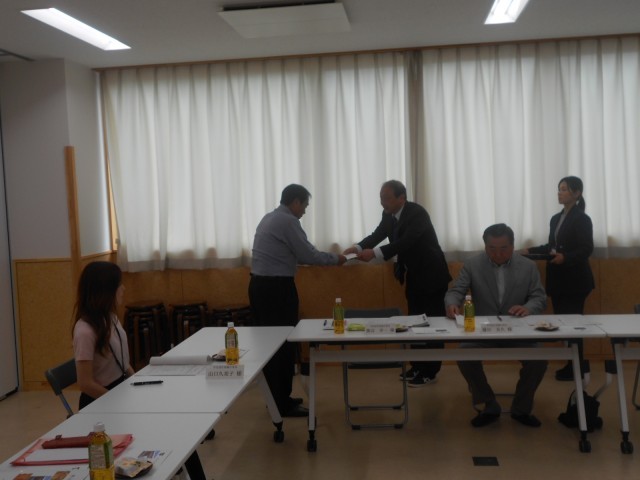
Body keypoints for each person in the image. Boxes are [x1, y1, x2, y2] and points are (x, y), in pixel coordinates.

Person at [72, 262, 207, 480]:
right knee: (165, 432)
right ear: (106, 291)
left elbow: (123, 362)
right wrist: (119, 402)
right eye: (119, 285)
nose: (123, 289)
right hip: (101, 403)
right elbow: (85, 383)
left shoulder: (111, 318)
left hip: (121, 392)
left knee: (180, 430)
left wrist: (136, 384)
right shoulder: (85, 331)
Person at [249, 184, 346, 417]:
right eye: (304, 206)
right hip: (277, 290)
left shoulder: (269, 218)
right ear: (295, 202)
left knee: (270, 344)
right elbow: (308, 255)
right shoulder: (288, 221)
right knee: (283, 343)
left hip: (259, 287)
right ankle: (281, 404)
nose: (304, 211)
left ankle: (276, 398)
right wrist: (338, 259)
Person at [343, 180, 451, 387]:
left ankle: (430, 371)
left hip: (432, 276)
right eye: (380, 198)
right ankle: (418, 365)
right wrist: (357, 248)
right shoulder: (389, 214)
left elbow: (406, 242)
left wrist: (374, 253)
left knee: (432, 324)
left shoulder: (417, 213)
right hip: (414, 276)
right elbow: (377, 235)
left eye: (386, 198)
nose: (382, 202)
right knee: (415, 322)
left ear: (402, 198)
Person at [445, 224, 547, 428]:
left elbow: (539, 297)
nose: (498, 254)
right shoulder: (473, 264)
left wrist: (528, 308)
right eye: (492, 249)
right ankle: (488, 404)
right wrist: (452, 304)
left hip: (517, 331)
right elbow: (456, 291)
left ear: (513, 246)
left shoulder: (528, 266)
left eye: (504, 248)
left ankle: (521, 408)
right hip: (484, 331)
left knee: (539, 360)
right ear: (485, 247)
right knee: (464, 355)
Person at [524, 176, 595, 381]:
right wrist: (529, 251)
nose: (559, 192)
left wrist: (566, 257)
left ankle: (578, 367)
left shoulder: (582, 218)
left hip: (575, 281)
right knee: (563, 324)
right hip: (558, 279)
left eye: (564, 189)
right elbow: (551, 247)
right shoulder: (556, 218)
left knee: (572, 325)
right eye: (559, 189)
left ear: (577, 193)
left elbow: (586, 249)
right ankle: (572, 364)